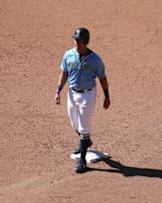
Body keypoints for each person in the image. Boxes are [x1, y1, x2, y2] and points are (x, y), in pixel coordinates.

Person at [55, 27, 110, 173]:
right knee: (74, 123)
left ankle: (82, 161)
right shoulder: (68, 55)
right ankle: (85, 141)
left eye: (78, 40)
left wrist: (107, 96)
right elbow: (64, 73)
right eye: (75, 40)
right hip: (72, 94)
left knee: (84, 126)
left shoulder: (95, 60)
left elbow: (102, 78)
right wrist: (58, 89)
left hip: (87, 95)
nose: (76, 42)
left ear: (85, 42)